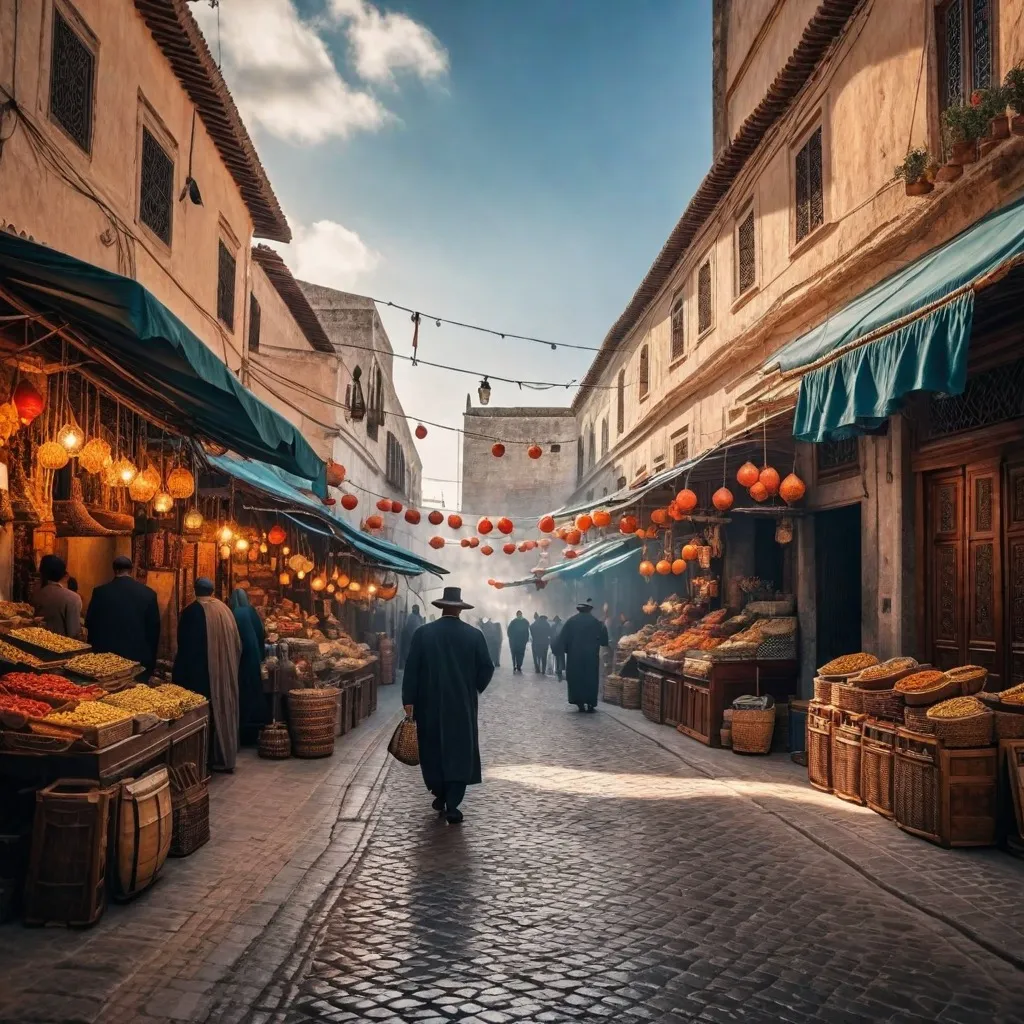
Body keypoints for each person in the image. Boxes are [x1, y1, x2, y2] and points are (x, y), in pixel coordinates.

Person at [402, 586, 494, 824]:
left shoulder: (423, 633)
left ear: (441, 607)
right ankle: (452, 803)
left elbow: (412, 668)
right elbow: (486, 667)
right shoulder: (474, 635)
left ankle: (439, 793)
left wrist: (409, 699)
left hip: (428, 702)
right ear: (460, 609)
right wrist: (472, 687)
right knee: (459, 750)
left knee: (432, 748)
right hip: (461, 704)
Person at [173, 579, 241, 772]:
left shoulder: (191, 612)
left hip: (200, 673)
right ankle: (219, 752)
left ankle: (200, 757)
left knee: (200, 715)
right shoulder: (225, 610)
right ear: (212, 590)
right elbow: (237, 644)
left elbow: (186, 647)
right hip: (223, 671)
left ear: (194, 590)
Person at [85, 556, 161, 674]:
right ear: (131, 570)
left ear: (114, 570)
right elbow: (153, 630)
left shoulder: (100, 592)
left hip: (106, 657)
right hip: (137, 656)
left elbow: (90, 623)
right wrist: (151, 660)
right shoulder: (149, 594)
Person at [552, 597, 609, 712]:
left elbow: (562, 638)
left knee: (576, 679)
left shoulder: (571, 622)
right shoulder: (596, 622)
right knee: (590, 679)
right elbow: (604, 641)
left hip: (575, 657)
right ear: (589, 610)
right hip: (591, 657)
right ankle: (591, 703)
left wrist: (558, 649)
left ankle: (579, 703)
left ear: (579, 610)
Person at [228, 588, 267, 745]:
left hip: (241, 659)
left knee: (242, 692)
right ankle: (255, 729)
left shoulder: (234, 613)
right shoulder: (251, 611)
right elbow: (260, 633)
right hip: (254, 656)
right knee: (254, 689)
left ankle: (243, 729)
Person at [32, 554, 82, 638]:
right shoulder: (73, 598)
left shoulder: (35, 593)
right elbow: (74, 634)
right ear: (64, 574)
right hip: (60, 647)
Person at [399, 604, 424, 670]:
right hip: (409, 637)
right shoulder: (411, 617)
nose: (414, 610)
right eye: (413, 608)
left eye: (415, 608)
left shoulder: (419, 617)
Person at [550, 615, 565, 680]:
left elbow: (551, 637)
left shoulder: (553, 627)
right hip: (560, 644)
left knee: (557, 657)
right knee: (560, 657)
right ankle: (560, 669)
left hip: (556, 644)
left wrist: (552, 645)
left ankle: (558, 669)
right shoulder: (562, 626)